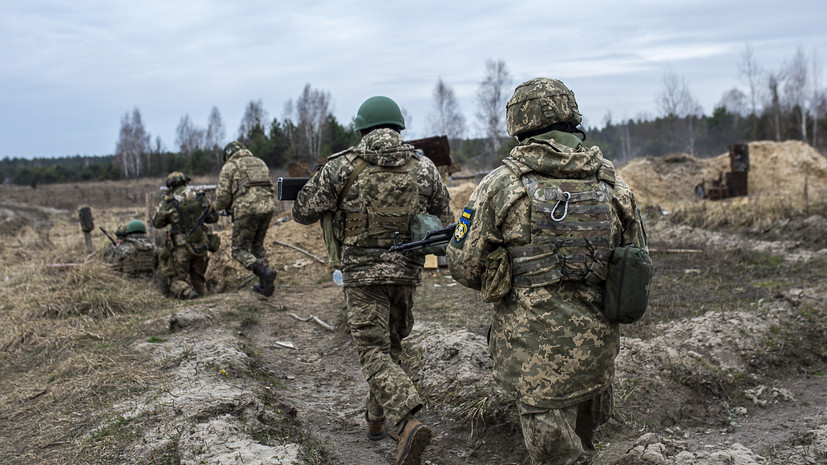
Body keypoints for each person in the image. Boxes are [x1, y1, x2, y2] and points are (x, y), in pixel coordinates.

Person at [446, 78, 648, 465]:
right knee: (583, 447)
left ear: (518, 125)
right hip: (596, 356)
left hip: (533, 362)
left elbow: (463, 265)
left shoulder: (500, 185)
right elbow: (637, 264)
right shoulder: (614, 184)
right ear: (573, 119)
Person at [292, 96, 453, 465]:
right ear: (398, 127)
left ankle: (407, 420)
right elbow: (446, 220)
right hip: (407, 273)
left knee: (372, 351)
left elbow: (302, 212)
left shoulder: (341, 166)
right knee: (390, 346)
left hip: (362, 276)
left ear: (362, 129)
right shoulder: (424, 167)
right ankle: (376, 420)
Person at [212, 141, 278, 297]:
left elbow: (222, 200)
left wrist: (213, 207)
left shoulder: (230, 166)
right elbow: (270, 187)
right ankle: (265, 284)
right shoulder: (260, 162)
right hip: (268, 207)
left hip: (246, 210)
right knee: (257, 245)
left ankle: (263, 271)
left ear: (228, 155)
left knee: (238, 249)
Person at [153, 171, 218, 300]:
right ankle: (204, 300)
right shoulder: (200, 197)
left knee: (176, 280)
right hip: (200, 245)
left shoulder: (168, 202)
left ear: (170, 186)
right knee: (198, 277)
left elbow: (157, 223)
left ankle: (188, 293)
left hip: (181, 247)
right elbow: (213, 218)